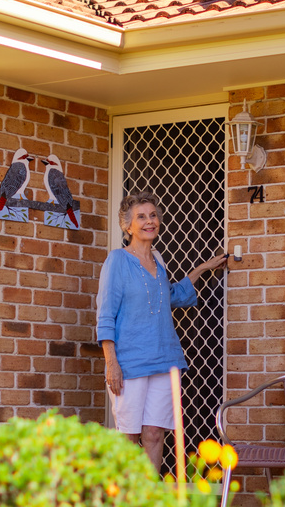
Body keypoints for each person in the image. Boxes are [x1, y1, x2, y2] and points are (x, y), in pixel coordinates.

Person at [96, 192, 228, 470]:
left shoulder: (159, 261)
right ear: (127, 225)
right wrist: (111, 363)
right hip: (130, 363)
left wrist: (203, 269)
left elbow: (172, 296)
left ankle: (150, 502)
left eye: (153, 215)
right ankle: (126, 503)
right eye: (141, 217)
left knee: (155, 435)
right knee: (127, 437)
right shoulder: (117, 261)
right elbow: (106, 314)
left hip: (165, 361)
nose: (149, 221)